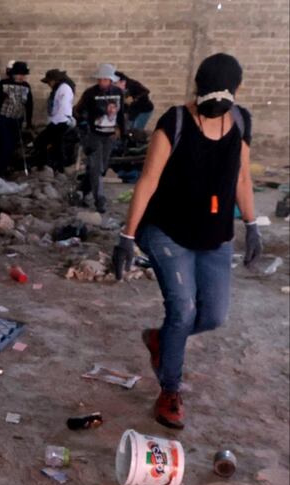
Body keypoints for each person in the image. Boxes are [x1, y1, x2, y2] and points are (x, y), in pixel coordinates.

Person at [111, 53, 260, 429]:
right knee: (183, 311)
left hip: (215, 236)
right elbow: (147, 180)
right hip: (167, 232)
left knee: (213, 315)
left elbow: (242, 179)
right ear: (199, 89)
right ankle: (170, 390)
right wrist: (127, 236)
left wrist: (253, 224)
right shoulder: (175, 121)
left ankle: (162, 340)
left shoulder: (241, 122)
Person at [74, 63, 126, 213]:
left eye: (105, 79)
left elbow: (121, 114)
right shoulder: (90, 93)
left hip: (109, 136)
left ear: (111, 80)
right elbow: (78, 111)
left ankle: (82, 191)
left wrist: (123, 133)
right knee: (96, 168)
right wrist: (84, 129)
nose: (102, 82)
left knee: (100, 168)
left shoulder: (118, 93)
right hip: (93, 135)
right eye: (100, 79)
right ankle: (100, 200)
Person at [0, 61, 33, 179]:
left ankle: (7, 167)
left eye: (24, 75)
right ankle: (1, 170)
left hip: (17, 120)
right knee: (5, 144)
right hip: (3, 119)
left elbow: (29, 104)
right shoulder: (2, 84)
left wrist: (28, 121)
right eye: (20, 74)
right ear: (14, 74)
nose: (22, 77)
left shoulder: (26, 86)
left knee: (13, 145)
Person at [31, 69, 76, 171]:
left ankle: (46, 167)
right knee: (56, 146)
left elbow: (63, 108)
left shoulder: (64, 89)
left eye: (49, 82)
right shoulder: (59, 89)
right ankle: (54, 168)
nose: (48, 84)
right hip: (58, 121)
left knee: (42, 142)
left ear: (54, 80)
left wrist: (54, 123)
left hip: (60, 122)